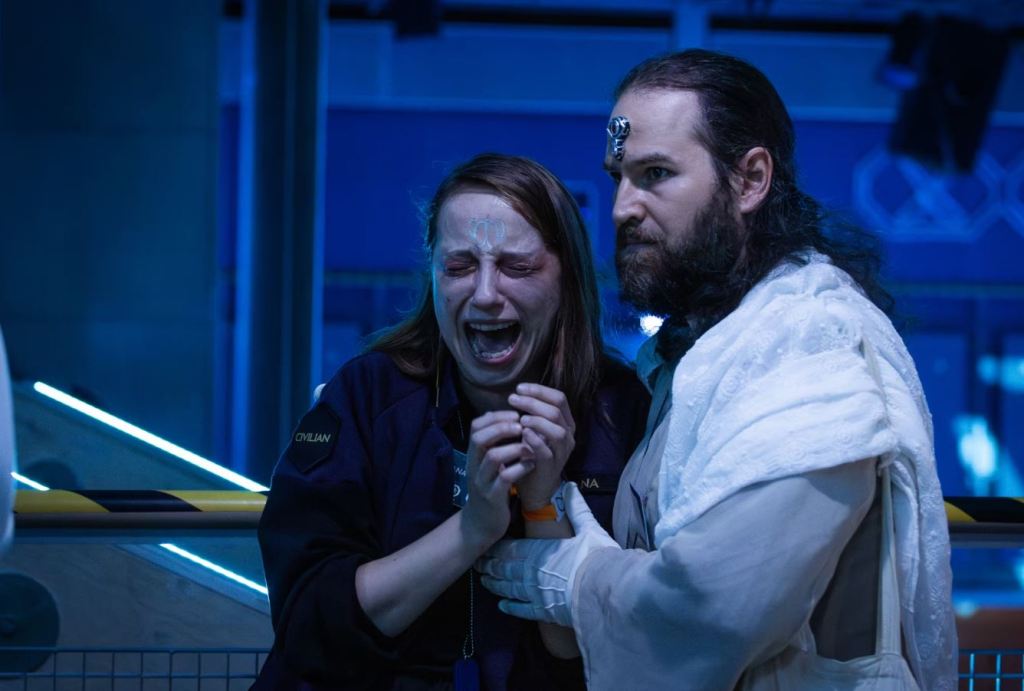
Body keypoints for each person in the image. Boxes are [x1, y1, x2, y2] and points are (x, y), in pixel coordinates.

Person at [478, 50, 957, 690]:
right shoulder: (707, 354)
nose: (622, 207)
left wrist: (579, 577)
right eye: (619, 176)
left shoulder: (807, 343)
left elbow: (711, 609)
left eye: (655, 174)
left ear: (750, 180)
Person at [253, 153, 649, 690]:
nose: (485, 294)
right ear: (433, 273)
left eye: (517, 267)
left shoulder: (618, 409)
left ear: (566, 278)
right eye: (460, 267)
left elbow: (595, 653)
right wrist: (473, 528)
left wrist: (542, 503)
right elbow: (309, 625)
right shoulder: (368, 396)